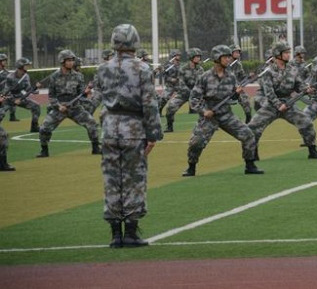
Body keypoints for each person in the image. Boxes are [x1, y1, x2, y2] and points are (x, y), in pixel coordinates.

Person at [94, 24, 162, 248]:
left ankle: (115, 234)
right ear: (135, 42)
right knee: (134, 179)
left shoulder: (103, 68)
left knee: (112, 180)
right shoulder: (142, 69)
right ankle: (131, 232)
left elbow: (100, 99)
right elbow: (149, 104)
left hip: (110, 127)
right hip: (133, 127)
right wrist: (153, 134)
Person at [182, 45, 262, 177]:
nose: (228, 59)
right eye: (225, 57)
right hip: (209, 115)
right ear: (217, 58)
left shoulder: (231, 76)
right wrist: (204, 111)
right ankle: (191, 167)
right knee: (196, 142)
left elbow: (233, 97)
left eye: (229, 57)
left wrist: (237, 93)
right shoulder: (205, 77)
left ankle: (250, 164)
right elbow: (194, 98)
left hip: (226, 114)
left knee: (248, 135)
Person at [249, 42, 317, 160]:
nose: (289, 55)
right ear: (278, 54)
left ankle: (312, 150)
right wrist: (279, 105)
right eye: (286, 53)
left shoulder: (292, 69)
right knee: (254, 127)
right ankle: (253, 153)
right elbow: (269, 92)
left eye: (289, 52)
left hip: (289, 102)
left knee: (306, 122)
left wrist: (307, 89)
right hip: (272, 104)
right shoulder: (268, 72)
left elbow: (299, 85)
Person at [36, 50, 101, 158]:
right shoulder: (54, 76)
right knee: (44, 128)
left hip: (75, 108)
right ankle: (44, 150)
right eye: (68, 60)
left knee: (92, 123)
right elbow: (51, 96)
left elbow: (81, 94)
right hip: (59, 108)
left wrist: (86, 92)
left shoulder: (78, 76)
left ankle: (95, 148)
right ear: (62, 62)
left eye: (72, 60)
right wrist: (58, 106)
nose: (71, 63)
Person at [164, 48, 204, 129]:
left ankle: (209, 124)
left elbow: (201, 83)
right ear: (191, 57)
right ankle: (169, 126)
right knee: (170, 108)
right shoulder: (183, 69)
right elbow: (181, 84)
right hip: (184, 94)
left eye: (199, 57)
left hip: (197, 94)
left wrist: (197, 93)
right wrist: (190, 93)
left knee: (209, 107)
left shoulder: (200, 70)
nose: (198, 58)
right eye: (196, 57)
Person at [1, 58, 41, 132]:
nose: (28, 67)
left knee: (36, 106)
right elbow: (6, 92)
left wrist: (35, 88)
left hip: (19, 97)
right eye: (26, 65)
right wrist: (13, 100)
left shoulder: (26, 76)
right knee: (1, 113)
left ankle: (34, 127)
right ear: (21, 66)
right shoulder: (10, 77)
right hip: (8, 98)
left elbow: (28, 89)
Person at [228, 44, 254, 124]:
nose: (238, 54)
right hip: (226, 88)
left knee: (245, 98)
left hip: (237, 88)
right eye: (235, 52)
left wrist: (249, 77)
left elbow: (242, 76)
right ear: (231, 53)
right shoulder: (225, 63)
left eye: (238, 52)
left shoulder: (238, 64)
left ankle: (248, 117)